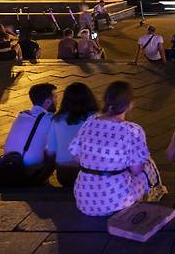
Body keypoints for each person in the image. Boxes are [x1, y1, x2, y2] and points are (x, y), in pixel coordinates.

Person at [69, 81, 162, 216]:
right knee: (147, 164)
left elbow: (76, 156)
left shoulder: (90, 122)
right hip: (116, 199)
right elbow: (136, 170)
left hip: (84, 198)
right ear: (130, 104)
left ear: (106, 100)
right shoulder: (133, 130)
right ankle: (152, 194)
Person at [2, 83, 57, 186]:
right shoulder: (50, 118)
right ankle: (38, 184)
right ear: (48, 101)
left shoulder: (21, 115)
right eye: (55, 97)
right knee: (55, 150)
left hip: (10, 166)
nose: (56, 101)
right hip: (29, 172)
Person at [46, 83, 99, 187]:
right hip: (87, 174)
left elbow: (51, 152)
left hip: (64, 175)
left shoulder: (57, 119)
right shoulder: (96, 119)